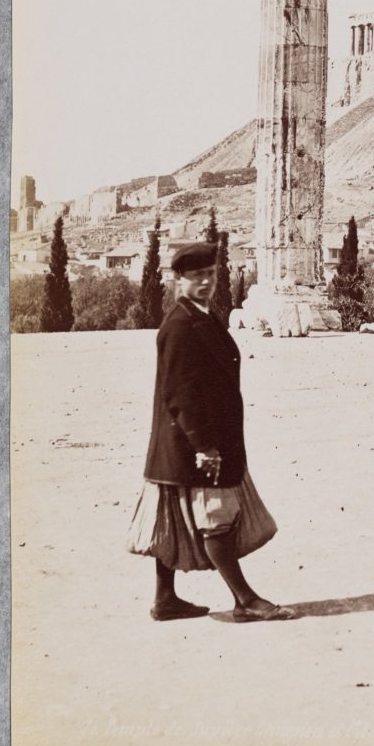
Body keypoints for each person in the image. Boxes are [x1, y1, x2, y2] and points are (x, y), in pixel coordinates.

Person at [126, 241, 295, 623]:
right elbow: (180, 393)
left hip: (186, 441)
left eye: (211, 275)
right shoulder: (181, 325)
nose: (206, 282)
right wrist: (205, 446)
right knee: (215, 517)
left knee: (171, 517)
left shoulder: (199, 314)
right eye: (196, 276)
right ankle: (245, 599)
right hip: (192, 441)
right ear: (177, 280)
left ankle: (165, 599)